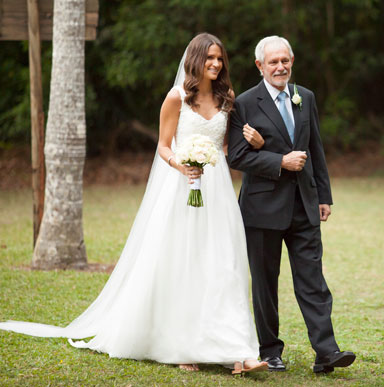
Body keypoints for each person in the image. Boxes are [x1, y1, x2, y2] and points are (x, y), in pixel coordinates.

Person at [0, 33, 267, 375]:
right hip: (182, 189)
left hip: (217, 191)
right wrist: (182, 164)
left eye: (220, 59)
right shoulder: (176, 99)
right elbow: (164, 146)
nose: (216, 64)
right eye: (210, 58)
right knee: (182, 263)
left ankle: (239, 351)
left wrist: (255, 144)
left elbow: (228, 150)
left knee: (223, 264)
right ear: (195, 60)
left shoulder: (226, 98)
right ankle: (182, 345)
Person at [227, 35, 356, 373]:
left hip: (304, 204)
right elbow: (237, 156)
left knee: (313, 280)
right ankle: (270, 351)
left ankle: (326, 352)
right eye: (273, 62)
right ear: (260, 66)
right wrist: (279, 161)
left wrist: (323, 195)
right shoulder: (244, 103)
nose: (280, 67)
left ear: (292, 61)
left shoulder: (306, 98)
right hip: (261, 209)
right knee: (266, 284)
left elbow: (315, 148)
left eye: (285, 60)